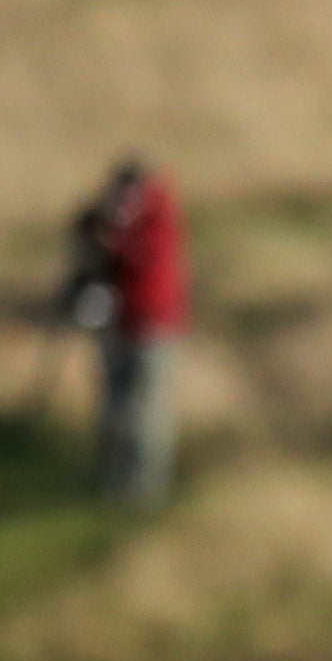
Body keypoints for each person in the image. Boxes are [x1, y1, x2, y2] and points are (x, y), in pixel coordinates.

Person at [61, 157, 187, 508]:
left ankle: (146, 489)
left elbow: (145, 263)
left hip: (153, 330)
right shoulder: (120, 219)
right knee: (115, 407)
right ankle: (117, 482)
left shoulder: (158, 222)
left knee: (145, 412)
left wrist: (116, 236)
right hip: (119, 328)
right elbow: (84, 230)